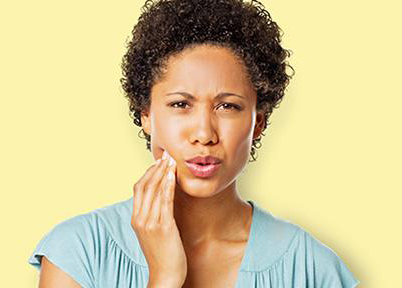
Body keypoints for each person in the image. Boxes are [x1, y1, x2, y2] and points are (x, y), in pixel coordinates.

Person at [28, 0, 360, 287]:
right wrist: (165, 277)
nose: (204, 133)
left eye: (228, 106)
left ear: (257, 122)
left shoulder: (313, 269)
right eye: (180, 104)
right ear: (146, 114)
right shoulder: (78, 252)